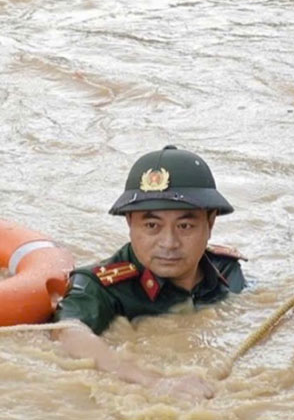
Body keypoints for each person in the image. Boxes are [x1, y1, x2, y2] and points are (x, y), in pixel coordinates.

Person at [53, 145, 245, 399]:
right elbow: (67, 333)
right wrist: (153, 382)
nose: (169, 242)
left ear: (210, 223)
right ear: (129, 222)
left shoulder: (226, 270)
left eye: (185, 225)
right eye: (152, 225)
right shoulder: (99, 286)